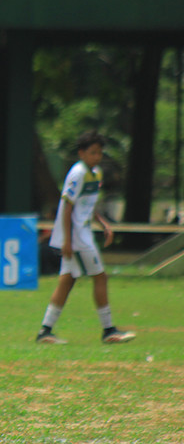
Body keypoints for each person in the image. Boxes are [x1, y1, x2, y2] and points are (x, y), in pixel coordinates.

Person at [36, 130, 135, 345]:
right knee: (100, 277)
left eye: (99, 153)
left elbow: (86, 204)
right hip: (78, 236)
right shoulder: (77, 173)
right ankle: (109, 330)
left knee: (67, 281)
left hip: (82, 233)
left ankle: (45, 331)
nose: (96, 157)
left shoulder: (96, 173)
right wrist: (67, 241)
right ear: (81, 153)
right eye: (92, 152)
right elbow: (67, 207)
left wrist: (103, 223)